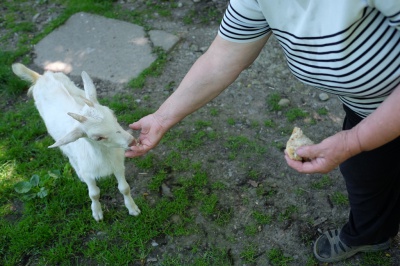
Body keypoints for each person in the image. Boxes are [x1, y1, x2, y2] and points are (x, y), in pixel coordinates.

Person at [125, 0, 400, 263]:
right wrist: (162, 117)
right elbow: (223, 57)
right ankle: (371, 234)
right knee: (366, 174)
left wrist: (355, 140)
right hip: (368, 111)